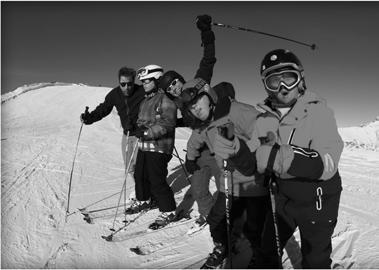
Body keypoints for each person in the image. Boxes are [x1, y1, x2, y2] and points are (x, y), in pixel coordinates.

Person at [225, 49, 343, 268]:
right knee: (268, 248)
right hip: (281, 197)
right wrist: (235, 149)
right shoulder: (264, 119)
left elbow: (327, 162)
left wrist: (278, 156)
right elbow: (253, 161)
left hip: (317, 199)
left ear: (300, 79)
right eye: (273, 81)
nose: (282, 87)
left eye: (288, 78)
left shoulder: (319, 113)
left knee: (315, 258)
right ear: (266, 86)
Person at [180, 81, 271, 268]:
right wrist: (190, 159)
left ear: (208, 94)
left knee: (254, 229)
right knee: (216, 220)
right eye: (191, 106)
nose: (195, 108)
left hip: (252, 184)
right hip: (227, 183)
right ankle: (223, 247)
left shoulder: (238, 112)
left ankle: (260, 259)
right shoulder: (204, 125)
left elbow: (268, 134)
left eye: (197, 101)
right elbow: (194, 141)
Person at [158, 15, 235, 232]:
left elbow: (208, 58)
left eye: (174, 82)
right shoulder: (177, 105)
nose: (173, 87)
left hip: (219, 147)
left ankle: (226, 219)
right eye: (169, 88)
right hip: (200, 153)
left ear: (180, 79)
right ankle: (209, 217)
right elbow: (188, 121)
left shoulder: (199, 81)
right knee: (200, 190)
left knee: (225, 189)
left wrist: (206, 33)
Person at [126, 64, 178, 230]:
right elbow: (143, 121)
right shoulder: (145, 101)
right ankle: (144, 200)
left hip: (159, 146)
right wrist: (135, 127)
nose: (144, 84)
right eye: (142, 81)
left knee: (156, 180)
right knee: (140, 175)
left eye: (147, 81)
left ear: (157, 80)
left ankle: (169, 210)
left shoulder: (166, 99)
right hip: (144, 145)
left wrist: (147, 133)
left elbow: (167, 124)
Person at [80, 66, 145, 183]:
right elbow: (103, 109)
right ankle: (141, 190)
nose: (126, 87)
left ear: (134, 81)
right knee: (130, 168)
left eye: (129, 84)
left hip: (141, 135)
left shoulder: (142, 91)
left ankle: (146, 194)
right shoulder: (114, 95)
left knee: (142, 168)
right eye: (123, 84)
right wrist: (89, 118)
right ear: (119, 82)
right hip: (127, 135)